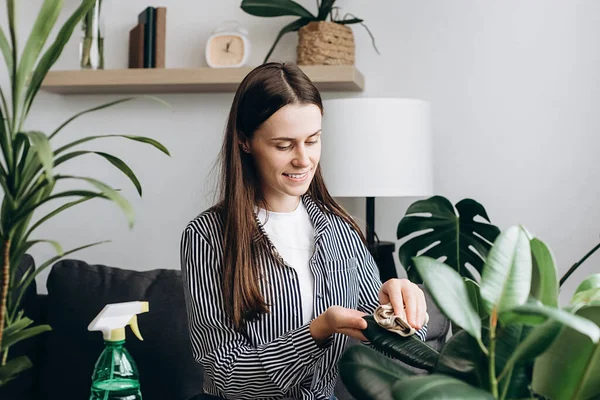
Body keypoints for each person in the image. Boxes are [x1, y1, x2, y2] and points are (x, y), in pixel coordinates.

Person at [180, 62, 428, 400]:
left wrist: (404, 309)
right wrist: (317, 331)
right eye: (284, 145)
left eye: (313, 141)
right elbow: (224, 374)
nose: (304, 160)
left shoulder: (340, 231)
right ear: (244, 142)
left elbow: (390, 347)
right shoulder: (208, 236)